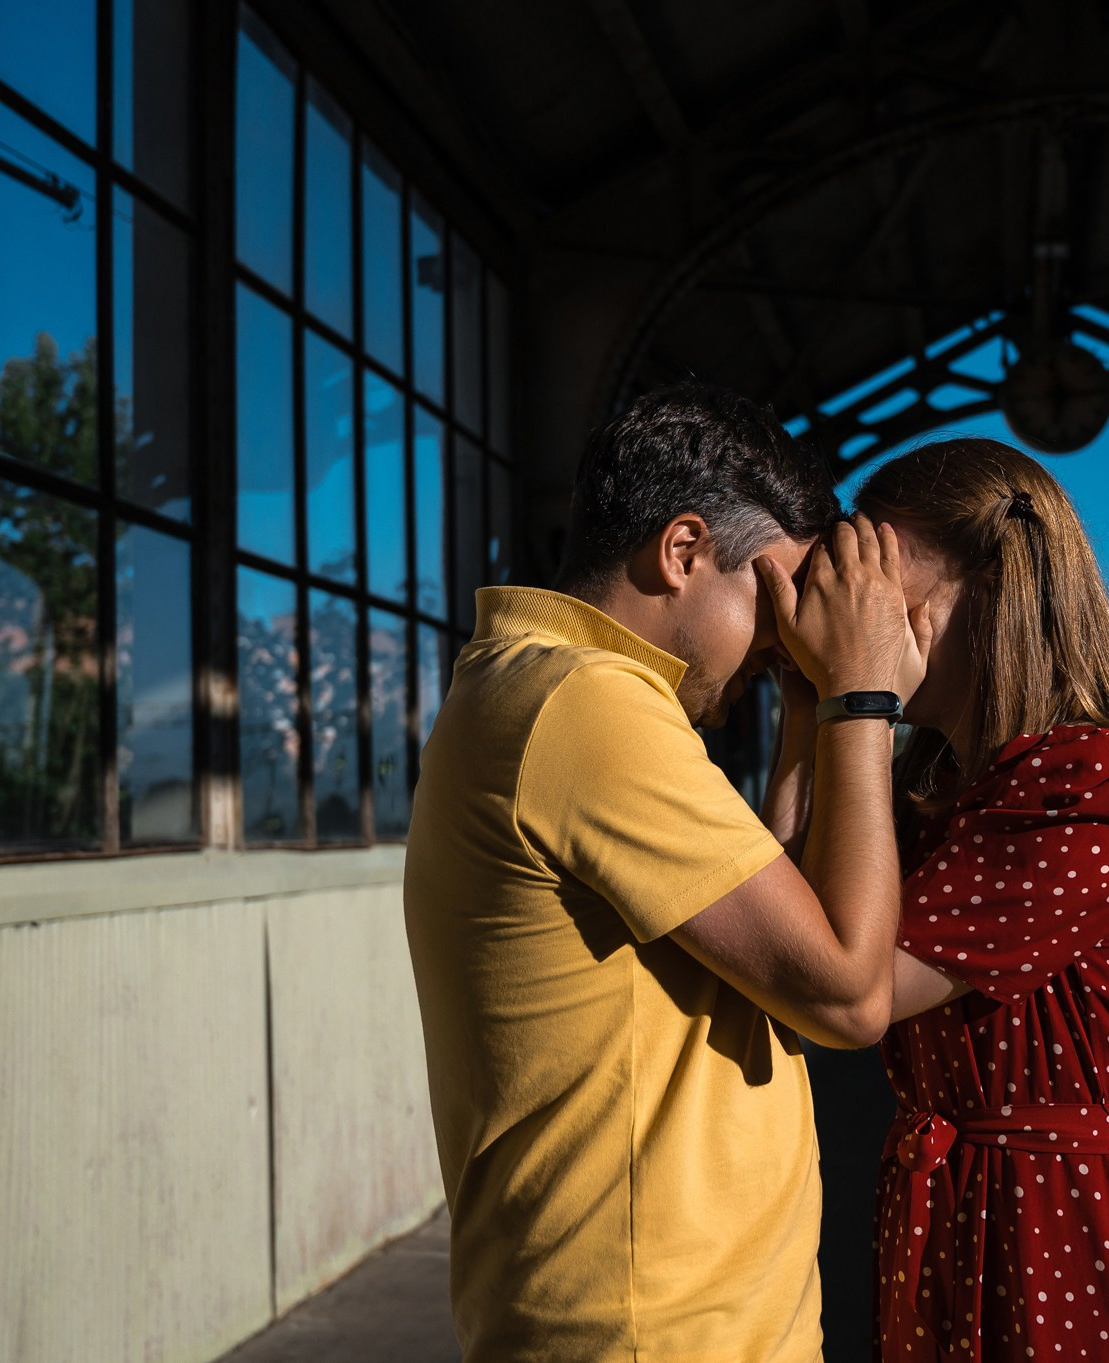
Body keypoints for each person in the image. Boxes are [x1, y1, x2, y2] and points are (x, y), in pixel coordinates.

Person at [402, 381, 930, 1362]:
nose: (782, 643)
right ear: (682, 551)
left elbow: (779, 942)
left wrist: (809, 701)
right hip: (651, 1335)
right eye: (767, 605)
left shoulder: (533, 685)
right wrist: (858, 697)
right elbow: (848, 993)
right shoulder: (585, 706)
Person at [837, 437, 1109, 1362]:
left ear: (991, 583)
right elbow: (809, 935)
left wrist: (853, 700)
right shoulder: (939, 791)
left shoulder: (1086, 781)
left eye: (881, 579)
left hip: (1067, 1233)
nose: (864, 614)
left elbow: (851, 989)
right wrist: (808, 701)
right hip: (959, 1219)